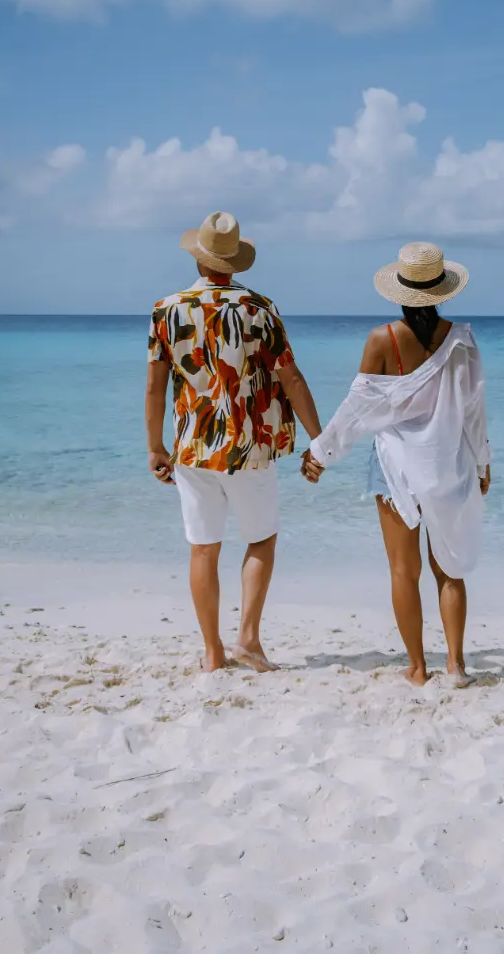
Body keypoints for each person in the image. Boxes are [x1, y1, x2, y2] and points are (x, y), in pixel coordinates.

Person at [302, 242, 490, 687]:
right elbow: (474, 410)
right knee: (450, 570)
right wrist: (483, 461)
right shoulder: (461, 340)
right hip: (450, 465)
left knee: (404, 571)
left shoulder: (382, 340)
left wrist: (320, 454)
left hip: (395, 470)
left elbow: (355, 409)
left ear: (398, 292)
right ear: (442, 291)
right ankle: (457, 666)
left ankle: (418, 668)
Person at [146, 211, 322, 673]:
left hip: (193, 446)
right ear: (235, 262)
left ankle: (211, 653)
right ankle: (248, 639)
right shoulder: (260, 309)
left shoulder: (167, 309)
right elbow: (292, 377)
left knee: (203, 546)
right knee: (261, 539)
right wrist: (319, 439)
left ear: (200, 259)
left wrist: (155, 446)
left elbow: (155, 386)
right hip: (252, 445)